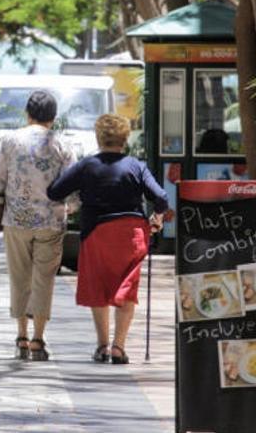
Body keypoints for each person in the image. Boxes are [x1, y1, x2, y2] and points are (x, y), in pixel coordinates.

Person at [47, 114, 167, 364]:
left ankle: (102, 345)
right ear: (125, 139)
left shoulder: (87, 165)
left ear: (99, 137)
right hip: (131, 235)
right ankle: (118, 347)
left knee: (99, 287)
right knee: (126, 289)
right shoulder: (136, 166)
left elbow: (55, 191)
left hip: (96, 234)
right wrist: (156, 219)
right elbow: (162, 198)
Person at [0, 90, 76, 362]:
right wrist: (69, 209)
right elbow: (73, 186)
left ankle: (21, 335)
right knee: (44, 279)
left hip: (17, 220)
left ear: (28, 113)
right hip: (51, 222)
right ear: (53, 117)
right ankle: (39, 339)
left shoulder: (10, 141)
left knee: (19, 276)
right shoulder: (62, 144)